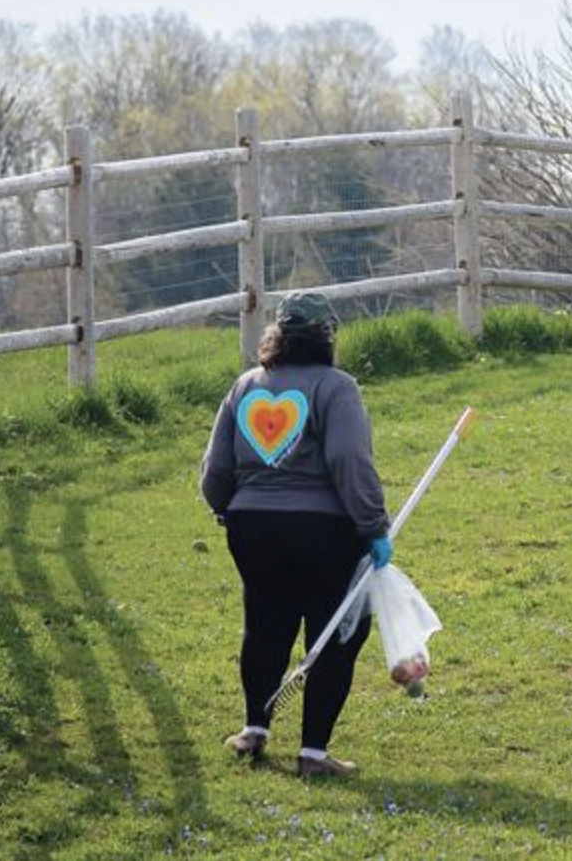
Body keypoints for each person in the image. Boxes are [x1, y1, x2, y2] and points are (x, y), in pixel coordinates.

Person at [200, 291, 392, 778]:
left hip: (252, 528)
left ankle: (253, 730)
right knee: (336, 632)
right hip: (323, 530)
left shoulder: (244, 386)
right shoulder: (336, 387)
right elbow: (350, 461)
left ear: (277, 336)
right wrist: (373, 527)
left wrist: (228, 509)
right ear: (328, 337)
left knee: (265, 622)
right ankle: (313, 753)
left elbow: (215, 470)